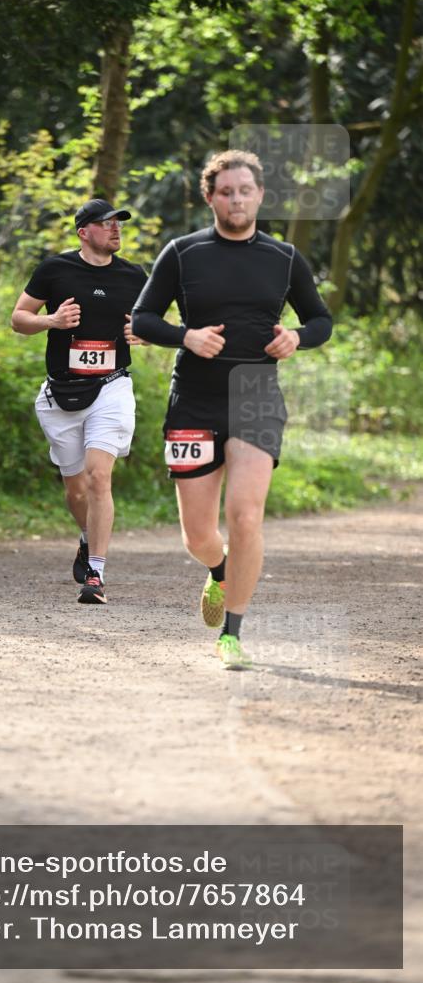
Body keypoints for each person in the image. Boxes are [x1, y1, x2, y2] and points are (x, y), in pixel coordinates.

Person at [131, 150, 332, 669]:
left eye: (245, 190)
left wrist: (297, 337)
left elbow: (320, 320)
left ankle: (232, 634)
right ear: (210, 197)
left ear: (261, 195)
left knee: (245, 516)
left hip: (256, 394)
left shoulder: (285, 257)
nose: (237, 199)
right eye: (226, 191)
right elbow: (144, 318)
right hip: (195, 397)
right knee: (199, 535)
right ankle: (218, 571)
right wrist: (187, 336)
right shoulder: (182, 253)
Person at [11, 199, 148, 605]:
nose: (116, 230)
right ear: (84, 231)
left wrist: (144, 332)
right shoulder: (55, 270)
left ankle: (96, 575)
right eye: (107, 224)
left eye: (118, 224)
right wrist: (50, 321)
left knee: (98, 477)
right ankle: (87, 537)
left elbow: (155, 322)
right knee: (76, 492)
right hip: (62, 393)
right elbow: (18, 318)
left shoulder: (135, 276)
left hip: (112, 386)